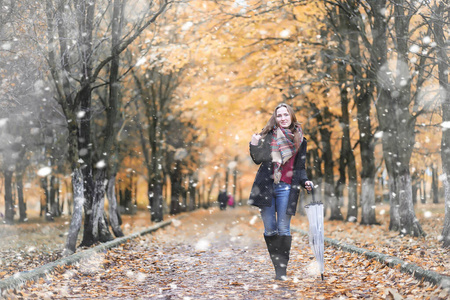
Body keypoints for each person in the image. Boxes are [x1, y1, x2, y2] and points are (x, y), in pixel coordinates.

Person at [249, 103, 313, 281]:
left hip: (287, 188)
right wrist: (254, 144)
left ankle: (281, 271)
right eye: (279, 115)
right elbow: (258, 159)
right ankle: (277, 265)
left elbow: (300, 168)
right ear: (275, 118)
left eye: (286, 115)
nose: (283, 118)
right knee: (270, 230)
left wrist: (305, 181)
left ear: (291, 117)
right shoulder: (269, 136)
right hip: (266, 188)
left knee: (284, 229)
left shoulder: (300, 140)